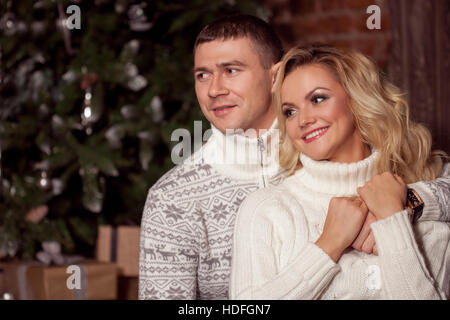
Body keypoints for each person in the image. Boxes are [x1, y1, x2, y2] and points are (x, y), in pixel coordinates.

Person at [139, 15, 450, 300]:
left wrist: (408, 201)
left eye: (231, 70)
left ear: (275, 76)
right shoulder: (173, 198)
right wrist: (330, 244)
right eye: (203, 75)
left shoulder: (334, 150)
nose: (214, 89)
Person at [229, 44, 450, 300]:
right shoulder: (266, 209)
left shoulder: (425, 192)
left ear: (356, 99)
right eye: (290, 111)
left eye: (318, 99)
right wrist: (328, 245)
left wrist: (394, 216)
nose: (303, 120)